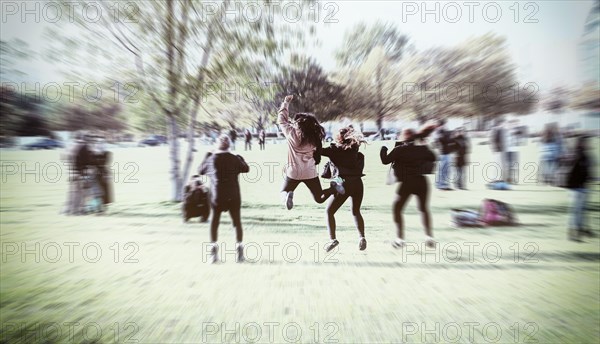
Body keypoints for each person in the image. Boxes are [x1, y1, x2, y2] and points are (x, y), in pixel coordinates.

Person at [381, 127, 437, 248]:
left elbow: (385, 160)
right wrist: (425, 145)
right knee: (423, 209)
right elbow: (433, 157)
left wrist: (384, 147)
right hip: (422, 181)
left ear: (404, 136)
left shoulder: (400, 149)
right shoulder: (422, 149)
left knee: (397, 209)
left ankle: (400, 240)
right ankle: (429, 237)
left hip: (407, 183)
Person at [199, 134, 250, 263]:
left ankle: (213, 254)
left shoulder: (211, 159)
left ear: (217, 145)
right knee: (236, 223)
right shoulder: (234, 159)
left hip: (217, 196)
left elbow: (200, 170)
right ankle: (240, 253)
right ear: (230, 145)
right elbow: (246, 168)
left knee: (214, 222)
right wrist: (239, 157)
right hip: (233, 195)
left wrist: (207, 155)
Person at [278, 94, 334, 209]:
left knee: (283, 192)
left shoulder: (291, 133)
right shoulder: (314, 138)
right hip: (310, 171)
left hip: (293, 171)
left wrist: (286, 103)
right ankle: (334, 188)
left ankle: (286, 196)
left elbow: (281, 120)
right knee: (319, 198)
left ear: (298, 123)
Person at [319, 126, 367, 252]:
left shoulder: (333, 149)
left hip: (342, 181)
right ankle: (362, 237)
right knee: (356, 211)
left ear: (338, 137)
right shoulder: (354, 148)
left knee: (329, 212)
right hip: (357, 182)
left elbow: (317, 151)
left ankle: (333, 240)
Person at [566, 136, 594, 242]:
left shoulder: (584, 155)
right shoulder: (577, 155)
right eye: (586, 142)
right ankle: (573, 232)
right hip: (577, 188)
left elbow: (587, 171)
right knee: (575, 211)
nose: (588, 144)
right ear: (581, 143)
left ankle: (579, 231)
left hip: (583, 187)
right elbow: (574, 172)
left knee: (581, 210)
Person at [435, 119, 454, 190]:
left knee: (447, 170)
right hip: (443, 153)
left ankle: (445, 184)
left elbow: (451, 140)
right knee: (442, 170)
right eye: (445, 124)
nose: (446, 125)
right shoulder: (439, 131)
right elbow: (443, 140)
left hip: (448, 153)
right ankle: (440, 184)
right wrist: (448, 136)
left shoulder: (446, 132)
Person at [490, 118, 507, 182]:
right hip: (497, 150)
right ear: (500, 123)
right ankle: (495, 178)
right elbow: (493, 140)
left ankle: (499, 178)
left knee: (499, 165)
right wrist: (495, 149)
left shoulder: (501, 130)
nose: (504, 124)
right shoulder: (496, 130)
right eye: (504, 123)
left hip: (500, 150)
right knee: (496, 165)